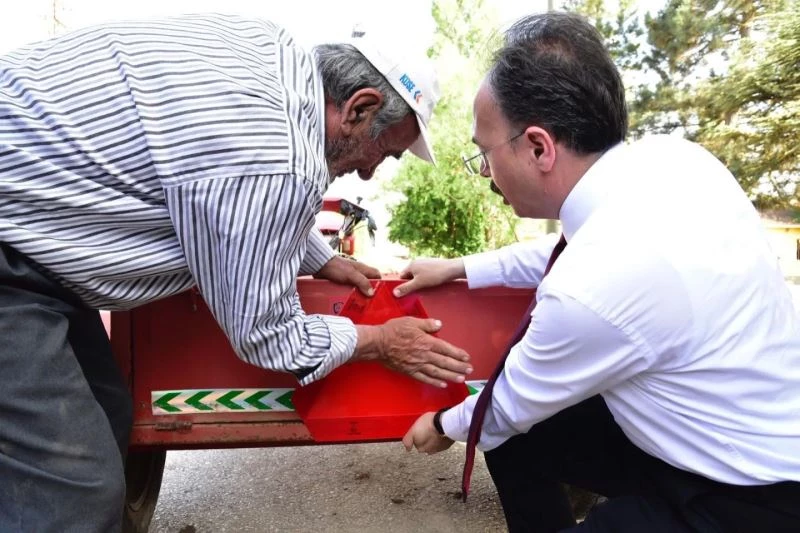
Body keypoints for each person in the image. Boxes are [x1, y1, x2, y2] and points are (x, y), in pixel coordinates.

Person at [0, 13, 473, 532]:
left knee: (107, 411)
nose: (368, 171)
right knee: (75, 490)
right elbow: (266, 335)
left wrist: (321, 258)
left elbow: (226, 199)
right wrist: (381, 341)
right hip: (12, 254)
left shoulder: (274, 57)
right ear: (360, 107)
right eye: (382, 151)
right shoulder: (278, 154)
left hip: (36, 246)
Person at [400, 11, 800, 533]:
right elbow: (577, 255)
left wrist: (440, 424)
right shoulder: (673, 161)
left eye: (484, 154)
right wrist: (459, 267)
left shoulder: (591, 285)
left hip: (746, 495)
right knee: (522, 439)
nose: (486, 172)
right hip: (703, 429)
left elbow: (509, 405)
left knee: (506, 426)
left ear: (539, 147)